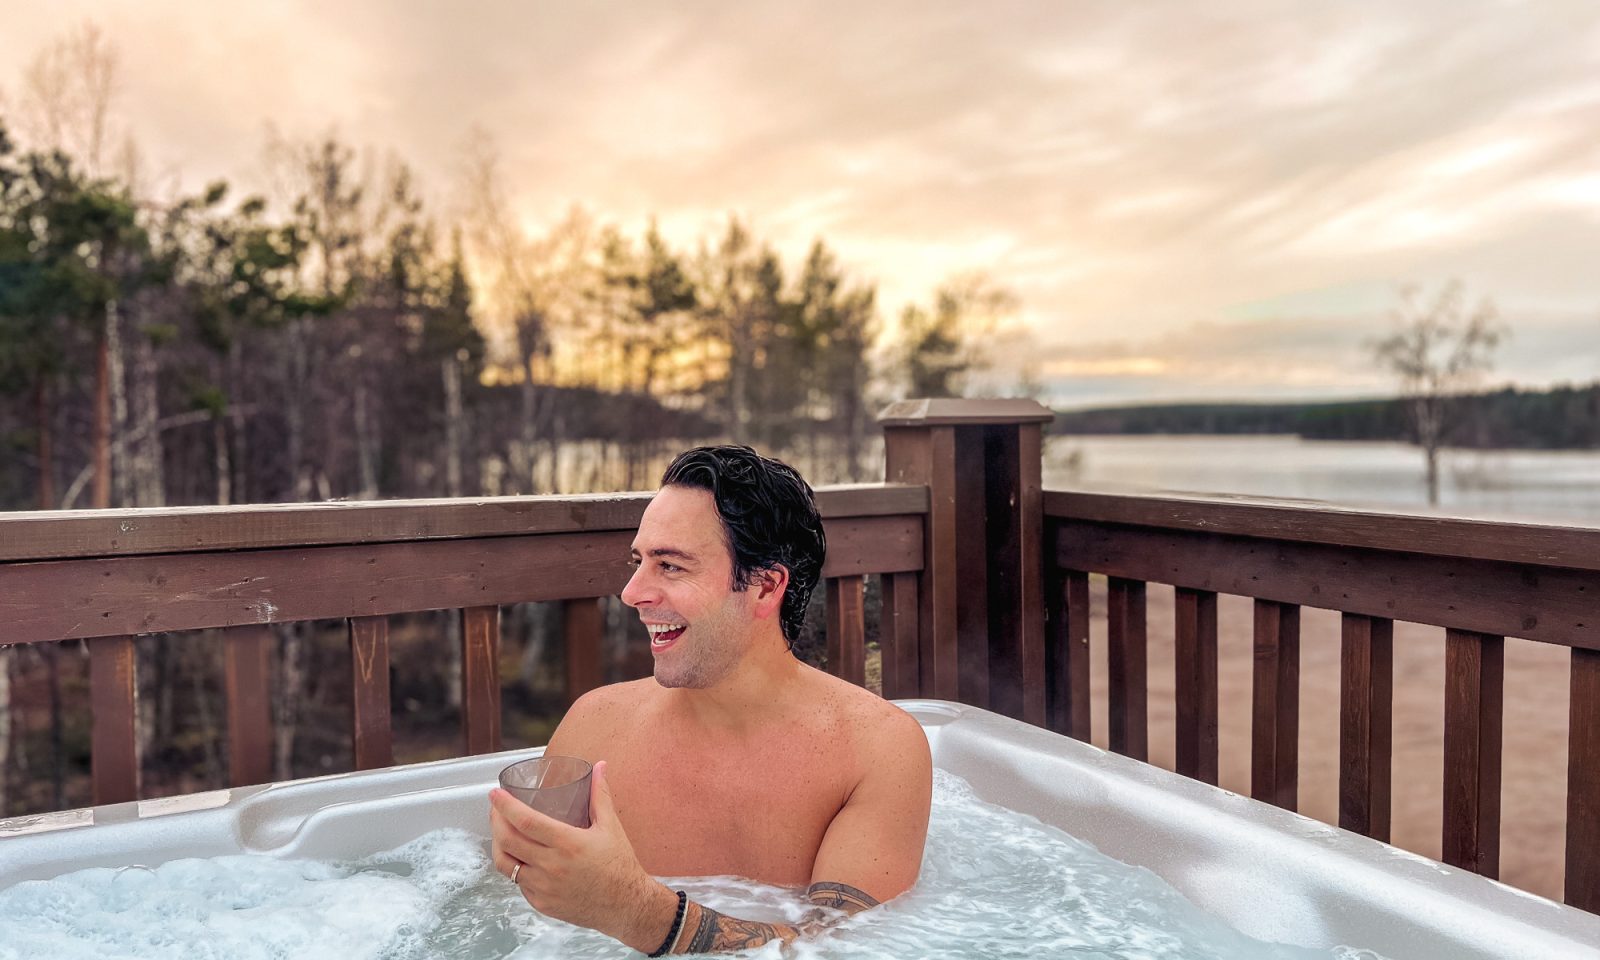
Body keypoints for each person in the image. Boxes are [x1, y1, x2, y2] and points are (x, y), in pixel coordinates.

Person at [488, 445, 933, 955]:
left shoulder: (875, 748)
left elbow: (840, 949)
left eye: (671, 566)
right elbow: (521, 920)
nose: (632, 593)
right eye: (639, 562)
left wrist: (635, 912)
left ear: (765, 587)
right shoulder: (594, 724)